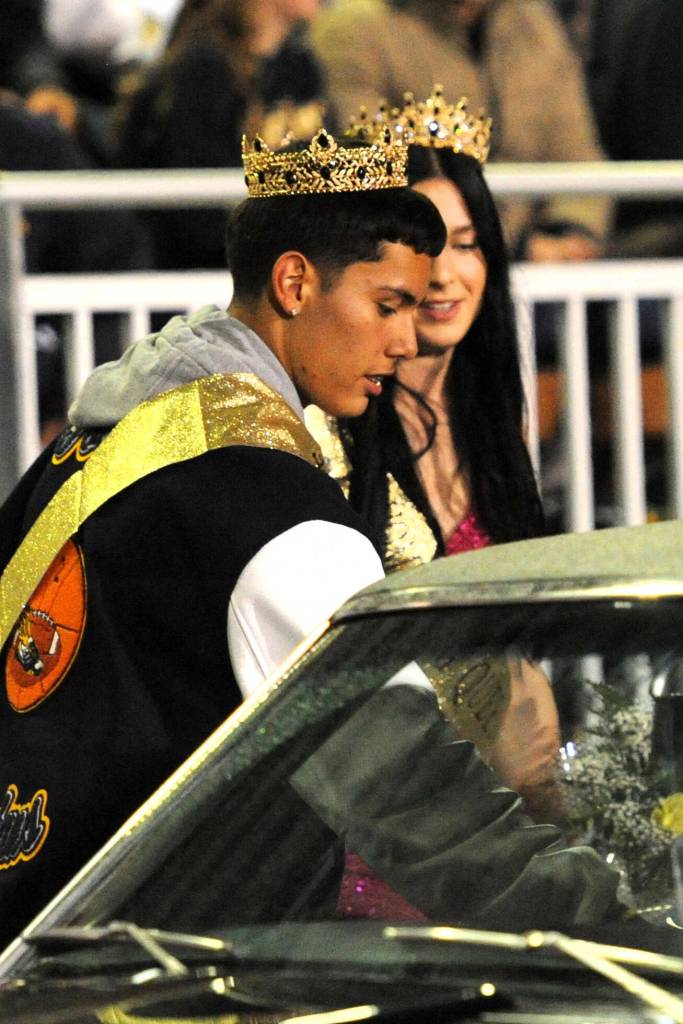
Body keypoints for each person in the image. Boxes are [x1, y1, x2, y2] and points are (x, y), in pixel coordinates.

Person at [0, 126, 444, 947]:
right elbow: (416, 797)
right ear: (294, 282)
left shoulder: (96, 431)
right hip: (172, 965)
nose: (406, 341)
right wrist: (600, 918)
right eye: (388, 305)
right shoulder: (275, 506)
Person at [308, 89, 562, 920]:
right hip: (389, 838)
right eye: (424, 251)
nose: (447, 275)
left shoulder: (498, 422)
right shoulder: (339, 434)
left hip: (510, 821)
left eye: (467, 244)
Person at [311, 0, 610, 263]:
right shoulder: (354, 27)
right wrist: (505, 245)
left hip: (542, 272)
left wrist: (568, 233)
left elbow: (579, 154)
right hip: (418, 262)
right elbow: (375, 167)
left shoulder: (536, 24)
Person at [116, 0, 327, 268]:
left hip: (279, 260)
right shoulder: (201, 69)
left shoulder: (300, 66)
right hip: (199, 274)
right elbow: (194, 209)